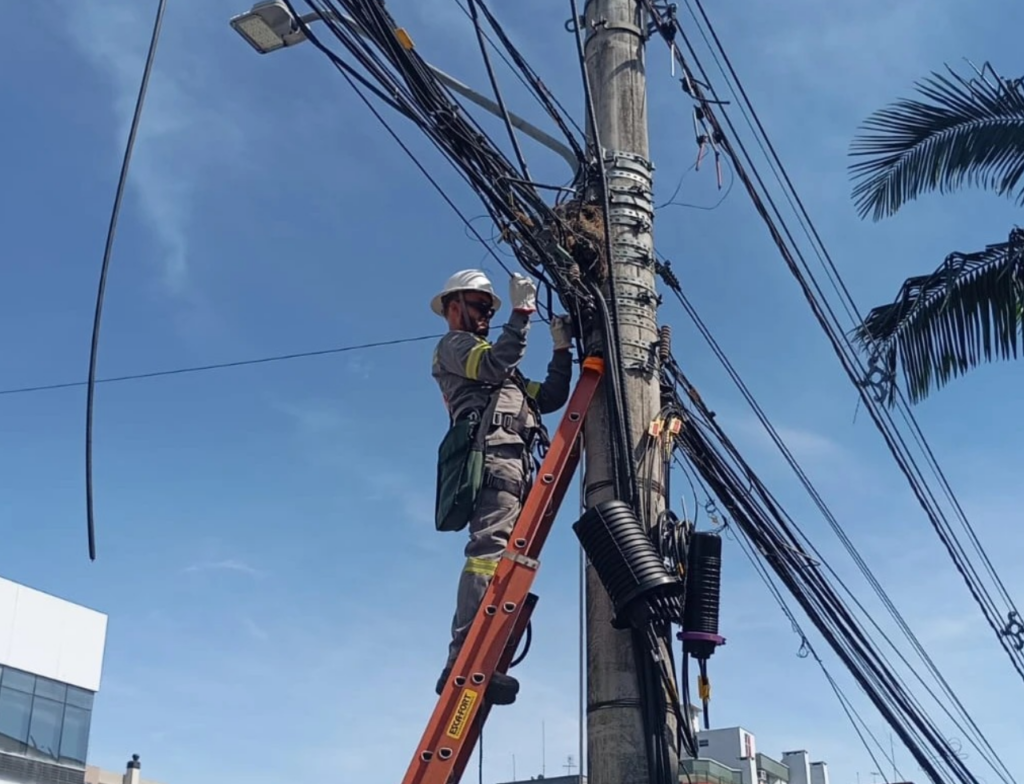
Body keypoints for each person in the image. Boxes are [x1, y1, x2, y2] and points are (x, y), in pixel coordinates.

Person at [430, 269, 574, 704]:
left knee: (507, 559)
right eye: (479, 306)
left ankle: (485, 656)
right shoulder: (454, 347)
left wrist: (562, 348)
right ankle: (463, 659)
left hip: (518, 464)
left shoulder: (503, 370)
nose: (485, 316)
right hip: (492, 459)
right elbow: (494, 362)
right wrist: (521, 313)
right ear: (453, 307)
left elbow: (547, 397)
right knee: (487, 553)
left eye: (490, 310)